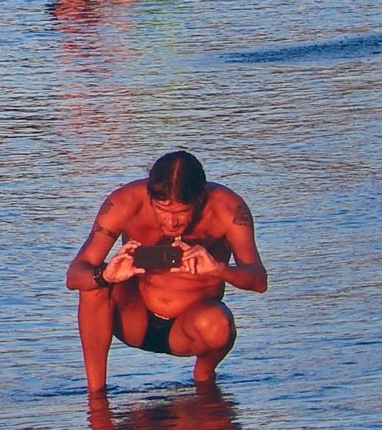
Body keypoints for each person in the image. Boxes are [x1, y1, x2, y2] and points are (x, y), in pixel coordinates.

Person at [66, 151, 268, 393]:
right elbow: (74, 275)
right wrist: (106, 275)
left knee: (219, 324)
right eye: (163, 209)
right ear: (150, 196)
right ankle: (96, 392)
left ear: (201, 198)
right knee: (92, 286)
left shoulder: (227, 209)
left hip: (190, 326)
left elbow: (258, 280)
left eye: (182, 212)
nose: (172, 222)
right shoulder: (125, 203)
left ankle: (204, 376)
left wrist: (219, 270)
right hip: (133, 317)